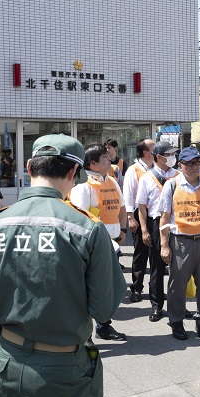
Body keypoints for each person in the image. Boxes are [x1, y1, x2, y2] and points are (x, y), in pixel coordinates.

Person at [0, 133, 126, 397]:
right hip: (61, 370)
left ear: (29, 167)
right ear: (73, 173)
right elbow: (104, 309)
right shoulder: (87, 228)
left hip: (6, 363)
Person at [159, 147, 200, 341]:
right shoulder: (171, 185)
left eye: (197, 163)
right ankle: (176, 322)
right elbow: (164, 218)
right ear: (180, 165)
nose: (194, 167)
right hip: (181, 242)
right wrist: (164, 245)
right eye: (189, 163)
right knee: (177, 285)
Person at [69, 144, 127, 341]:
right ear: (92, 163)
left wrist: (123, 229)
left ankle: (103, 326)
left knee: (106, 290)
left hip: (112, 244)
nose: (109, 158)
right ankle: (84, 334)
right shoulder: (83, 186)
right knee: (88, 290)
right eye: (104, 157)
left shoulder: (111, 180)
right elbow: (79, 219)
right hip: (93, 248)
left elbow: (122, 207)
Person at [135, 140, 180, 323]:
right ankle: (156, 305)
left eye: (173, 154)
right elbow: (142, 207)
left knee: (178, 267)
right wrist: (144, 230)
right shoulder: (147, 177)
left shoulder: (179, 176)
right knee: (156, 265)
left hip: (176, 223)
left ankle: (177, 305)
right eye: (168, 155)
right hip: (155, 223)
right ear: (159, 157)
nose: (172, 158)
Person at [122, 139, 155, 302]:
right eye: (153, 149)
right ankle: (136, 288)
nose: (157, 152)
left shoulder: (157, 169)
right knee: (140, 253)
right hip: (138, 214)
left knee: (155, 254)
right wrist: (130, 217)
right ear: (145, 153)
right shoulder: (133, 170)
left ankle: (155, 289)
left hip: (155, 215)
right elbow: (128, 195)